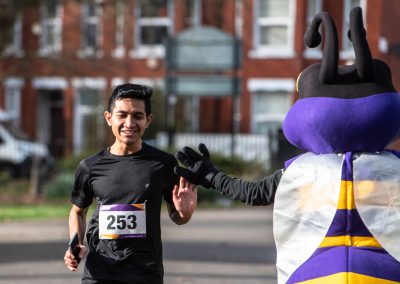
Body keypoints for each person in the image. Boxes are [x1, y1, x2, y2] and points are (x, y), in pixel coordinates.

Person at [175, 7, 400, 284]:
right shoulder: (394, 168)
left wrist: (211, 176)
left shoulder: (301, 171)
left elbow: (254, 192)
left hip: (315, 272)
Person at [64, 83, 197, 284]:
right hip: (99, 273)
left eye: (137, 116)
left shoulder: (163, 164)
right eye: (122, 115)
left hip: (145, 273)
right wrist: (75, 243)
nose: (129, 123)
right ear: (109, 118)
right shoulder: (90, 166)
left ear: (148, 120)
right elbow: (77, 211)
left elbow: (176, 216)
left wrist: (185, 214)